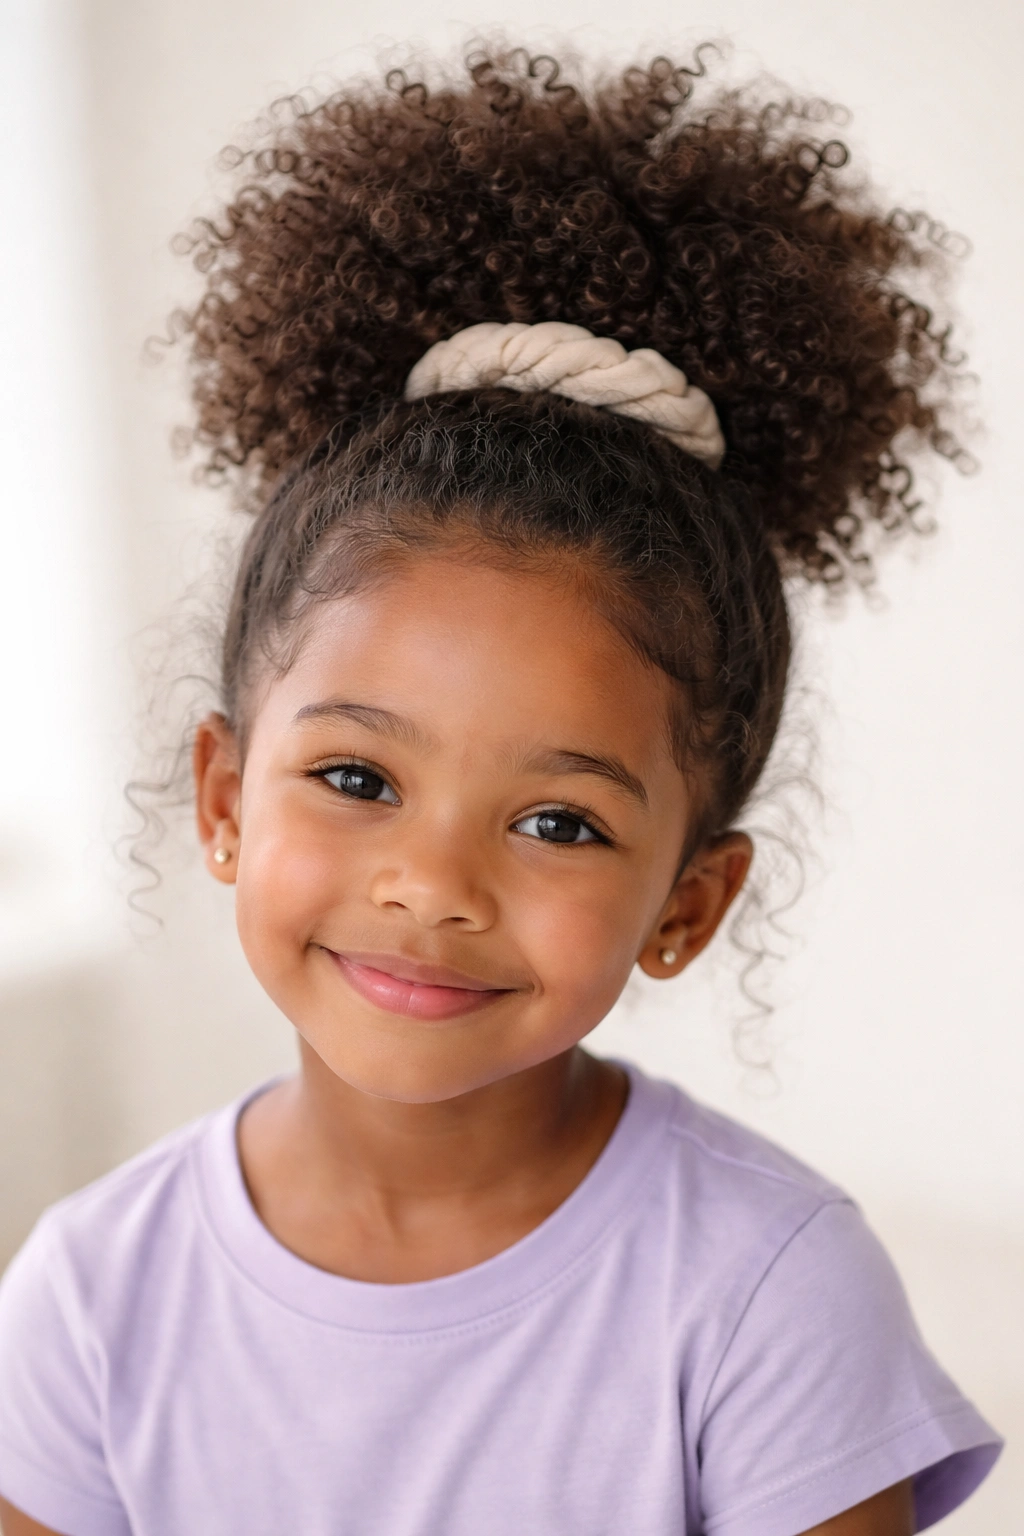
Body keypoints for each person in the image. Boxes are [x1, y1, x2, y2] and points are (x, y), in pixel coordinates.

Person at [0, 45, 1003, 1536]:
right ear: (222, 797)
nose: (435, 885)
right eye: (355, 776)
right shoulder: (86, 1296)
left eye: (559, 822)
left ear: (688, 901)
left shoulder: (773, 1293)